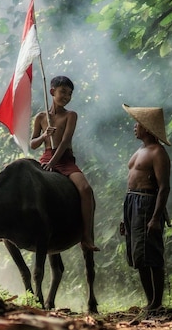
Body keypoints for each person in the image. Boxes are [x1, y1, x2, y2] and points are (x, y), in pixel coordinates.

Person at [30, 76, 99, 252]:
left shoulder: (70, 115)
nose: (66, 96)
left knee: (85, 189)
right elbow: (32, 144)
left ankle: (87, 237)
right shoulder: (40, 117)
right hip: (46, 158)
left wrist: (53, 163)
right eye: (63, 92)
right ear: (52, 92)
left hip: (64, 160)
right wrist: (44, 136)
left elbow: (65, 140)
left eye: (69, 94)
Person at [121, 104, 171, 312]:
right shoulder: (140, 150)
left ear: (148, 129)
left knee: (152, 254)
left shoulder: (158, 152)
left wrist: (156, 218)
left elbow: (164, 187)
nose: (134, 127)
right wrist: (125, 217)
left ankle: (157, 303)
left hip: (148, 204)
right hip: (133, 204)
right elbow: (131, 183)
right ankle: (150, 302)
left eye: (138, 124)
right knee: (138, 256)